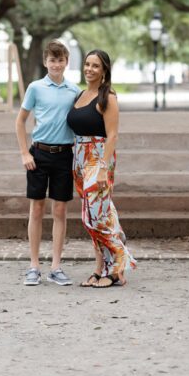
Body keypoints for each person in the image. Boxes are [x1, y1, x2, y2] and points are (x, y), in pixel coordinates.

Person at [14, 39, 81, 286]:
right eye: (52, 60)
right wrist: (24, 153)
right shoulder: (35, 88)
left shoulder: (74, 91)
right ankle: (33, 266)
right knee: (37, 208)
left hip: (64, 155)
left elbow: (81, 122)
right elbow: (20, 121)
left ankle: (55, 266)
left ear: (66, 62)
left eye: (60, 60)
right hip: (39, 155)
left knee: (61, 210)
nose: (56, 64)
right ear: (45, 62)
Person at [68, 49, 136, 288]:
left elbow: (113, 135)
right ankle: (100, 269)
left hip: (98, 159)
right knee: (100, 215)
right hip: (78, 159)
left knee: (92, 218)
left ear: (104, 70)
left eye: (95, 66)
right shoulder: (81, 95)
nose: (89, 69)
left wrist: (102, 169)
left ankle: (119, 260)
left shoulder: (108, 97)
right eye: (87, 64)